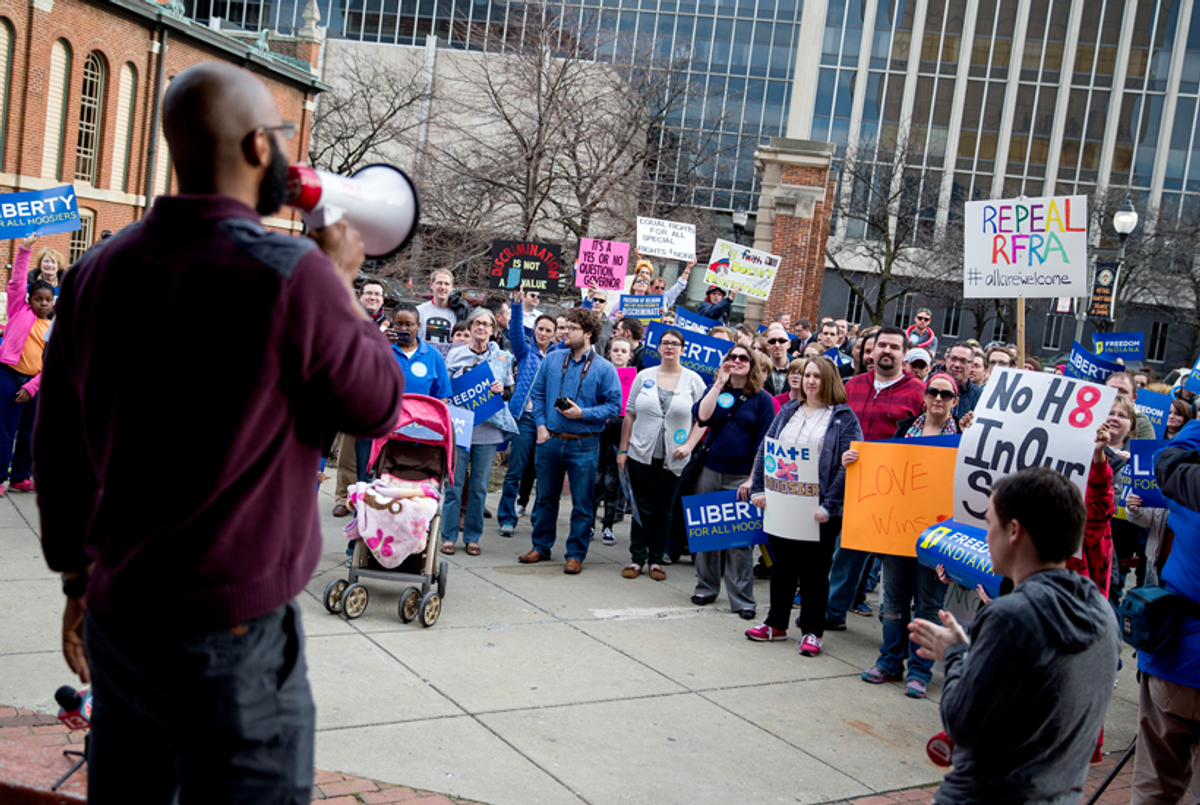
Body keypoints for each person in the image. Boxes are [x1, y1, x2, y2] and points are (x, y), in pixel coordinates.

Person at [36, 62, 406, 803]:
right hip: (230, 636)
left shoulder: (95, 272)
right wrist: (337, 284)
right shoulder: (290, 275)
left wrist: (77, 579)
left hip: (119, 616)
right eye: (277, 131)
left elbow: (62, 449)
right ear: (254, 148)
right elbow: (377, 404)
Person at [909, 468, 1120, 805]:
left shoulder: (1012, 617)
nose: (984, 535)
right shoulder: (1101, 610)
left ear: (1013, 531)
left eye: (989, 523)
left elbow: (962, 723)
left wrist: (957, 655)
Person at [849, 372, 959, 698]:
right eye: (933, 392)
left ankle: (921, 672)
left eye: (946, 394)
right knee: (894, 602)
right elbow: (880, 468)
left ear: (955, 401)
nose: (938, 398)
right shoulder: (903, 430)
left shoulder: (963, 440)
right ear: (924, 396)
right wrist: (854, 461)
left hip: (938, 539)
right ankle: (889, 662)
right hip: (897, 532)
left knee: (928, 605)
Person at [746, 357, 861, 655]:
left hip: (820, 512)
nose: (810, 381)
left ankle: (812, 631)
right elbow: (766, 449)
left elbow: (847, 468)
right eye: (807, 375)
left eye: (817, 376)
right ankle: (776, 623)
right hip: (782, 504)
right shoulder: (788, 410)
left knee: (814, 573)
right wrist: (759, 488)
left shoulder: (843, 418)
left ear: (830, 380)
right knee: (782, 568)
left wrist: (829, 506)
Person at [825, 326, 926, 630]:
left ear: (904, 354)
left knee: (886, 561)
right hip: (847, 483)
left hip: (894, 489)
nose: (887, 351)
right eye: (882, 345)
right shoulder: (851, 386)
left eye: (894, 347)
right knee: (844, 553)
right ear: (872, 348)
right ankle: (833, 612)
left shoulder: (919, 392)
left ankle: (892, 624)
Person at [520, 307, 623, 574]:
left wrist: (583, 413)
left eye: (571, 329)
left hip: (584, 443)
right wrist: (541, 425)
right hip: (550, 439)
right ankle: (540, 545)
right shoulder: (553, 359)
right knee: (544, 497)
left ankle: (575, 553)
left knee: (582, 502)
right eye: (564, 328)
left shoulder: (604, 368)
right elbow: (539, 394)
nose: (564, 332)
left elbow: (614, 406)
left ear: (588, 334)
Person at [1132, 421, 1200, 805]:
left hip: (1176, 659)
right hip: (1176, 656)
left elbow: (1167, 462)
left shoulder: (1190, 485)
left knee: (1155, 787)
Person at [688, 347, 776, 618]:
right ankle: (706, 587)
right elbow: (703, 417)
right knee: (706, 536)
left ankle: (742, 599)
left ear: (752, 365)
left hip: (741, 477)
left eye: (743, 358)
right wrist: (718, 383)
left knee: (740, 542)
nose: (736, 361)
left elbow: (764, 444)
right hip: (710, 471)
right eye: (731, 357)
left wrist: (752, 479)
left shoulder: (762, 400)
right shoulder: (717, 390)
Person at [617, 329, 707, 580]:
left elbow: (703, 419)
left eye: (675, 344)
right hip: (640, 454)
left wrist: (689, 445)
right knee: (641, 507)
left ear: (683, 349)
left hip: (675, 457)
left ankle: (656, 559)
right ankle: (637, 559)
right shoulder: (643, 376)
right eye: (665, 343)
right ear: (657, 348)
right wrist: (623, 450)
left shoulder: (694, 381)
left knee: (664, 509)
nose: (669, 347)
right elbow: (630, 414)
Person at [442, 308, 518, 555]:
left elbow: (509, 390)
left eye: (486, 324)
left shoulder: (503, 358)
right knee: (454, 486)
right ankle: (448, 536)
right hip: (460, 429)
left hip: (487, 431)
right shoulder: (455, 355)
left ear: (493, 331)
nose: (481, 328)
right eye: (477, 323)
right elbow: (444, 388)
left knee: (479, 487)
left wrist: (501, 390)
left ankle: (473, 537)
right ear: (471, 326)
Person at [331, 281, 394, 517]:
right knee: (347, 449)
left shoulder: (391, 326)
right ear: (360, 296)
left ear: (383, 299)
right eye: (369, 293)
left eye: (378, 294)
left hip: (377, 396)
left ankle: (368, 497)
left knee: (372, 452)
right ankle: (344, 497)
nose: (374, 297)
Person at [498, 289, 557, 538]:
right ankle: (507, 517)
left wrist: (587, 302)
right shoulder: (524, 352)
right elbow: (513, 330)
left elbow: (577, 332)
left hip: (547, 422)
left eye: (548, 330)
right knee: (515, 470)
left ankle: (537, 518)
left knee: (543, 472)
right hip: (524, 419)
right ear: (534, 330)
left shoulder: (557, 357)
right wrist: (516, 304)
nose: (542, 333)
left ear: (554, 335)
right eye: (539, 329)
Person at [0, 236, 55, 494]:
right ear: (28, 300)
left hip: (34, 385)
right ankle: (0, 477)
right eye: (38, 299)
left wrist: (32, 387)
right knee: (4, 430)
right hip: (9, 378)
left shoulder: (54, 326)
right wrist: (24, 249)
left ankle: (21, 476)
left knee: (29, 433)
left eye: (48, 300)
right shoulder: (19, 310)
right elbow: (17, 281)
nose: (43, 303)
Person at [595, 336, 635, 545]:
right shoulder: (599, 373)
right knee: (595, 481)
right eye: (615, 350)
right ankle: (590, 524)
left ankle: (608, 524)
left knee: (612, 482)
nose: (619, 354)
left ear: (630, 355)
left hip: (619, 435)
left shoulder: (635, 379)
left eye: (623, 351)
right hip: (598, 432)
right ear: (608, 352)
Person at [386, 302, 451, 398]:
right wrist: (380, 345)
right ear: (392, 325)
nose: (403, 329)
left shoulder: (433, 355)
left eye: (409, 325)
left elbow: (441, 396)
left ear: (418, 325)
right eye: (398, 324)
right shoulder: (383, 351)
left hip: (420, 413)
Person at [1106, 371, 1157, 439]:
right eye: (1112, 389)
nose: (1116, 394)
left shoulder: (1142, 425)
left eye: (1123, 391)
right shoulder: (1091, 413)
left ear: (1134, 397)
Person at [941, 341, 983, 420]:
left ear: (972, 365)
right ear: (947, 359)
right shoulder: (930, 389)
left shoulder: (980, 397)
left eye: (963, 361)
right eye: (953, 359)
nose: (957, 365)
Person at [418, 268, 457, 348]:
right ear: (431, 285)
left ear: (451, 287)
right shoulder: (419, 311)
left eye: (446, 284)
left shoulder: (458, 313)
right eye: (439, 283)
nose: (443, 287)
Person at [763, 323, 791, 395]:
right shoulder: (759, 368)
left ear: (789, 344)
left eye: (782, 341)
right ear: (767, 345)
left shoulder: (797, 369)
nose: (777, 345)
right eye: (772, 341)